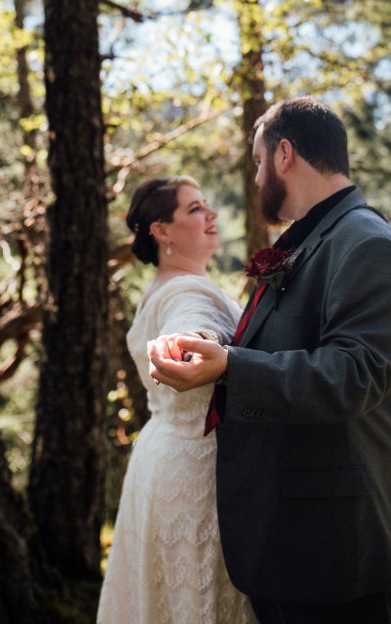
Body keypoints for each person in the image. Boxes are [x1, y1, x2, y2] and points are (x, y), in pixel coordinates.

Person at [148, 98, 391, 624]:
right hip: (294, 541)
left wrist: (230, 367)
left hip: (344, 554)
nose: (255, 178)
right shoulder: (312, 239)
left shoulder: (364, 243)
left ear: (284, 154)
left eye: (257, 162)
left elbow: (357, 374)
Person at [96, 175, 256, 624]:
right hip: (193, 473)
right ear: (161, 231)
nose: (211, 215)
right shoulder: (186, 293)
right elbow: (190, 326)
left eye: (206, 204)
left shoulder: (170, 287)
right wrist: (190, 342)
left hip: (161, 460)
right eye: (194, 209)